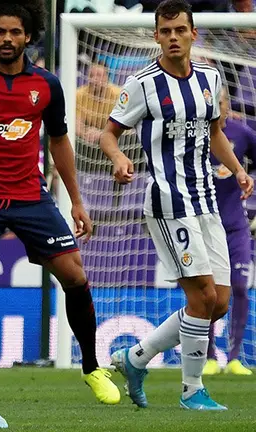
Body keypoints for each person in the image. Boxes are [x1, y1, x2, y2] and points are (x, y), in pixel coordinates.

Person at [0, 0, 120, 406]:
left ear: (29, 35)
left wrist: (77, 201)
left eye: (15, 32)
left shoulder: (46, 85)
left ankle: (91, 367)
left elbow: (59, 141)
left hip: (31, 194)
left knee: (73, 274)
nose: (7, 39)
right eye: (0, 32)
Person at [100, 0, 253, 410]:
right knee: (202, 296)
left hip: (206, 200)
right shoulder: (142, 84)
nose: (172, 37)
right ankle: (191, 390)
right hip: (169, 202)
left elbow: (216, 132)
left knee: (217, 302)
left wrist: (237, 169)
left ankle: (135, 359)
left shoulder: (210, 77)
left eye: (179, 30)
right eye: (165, 31)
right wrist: (117, 158)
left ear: (192, 34)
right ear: (156, 36)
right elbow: (108, 134)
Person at [202, 95, 256, 377]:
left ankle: (234, 358)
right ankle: (210, 356)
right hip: (206, 226)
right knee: (210, 291)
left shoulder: (241, 133)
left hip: (236, 225)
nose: (219, 108)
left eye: (222, 103)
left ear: (227, 106)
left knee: (238, 286)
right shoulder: (197, 135)